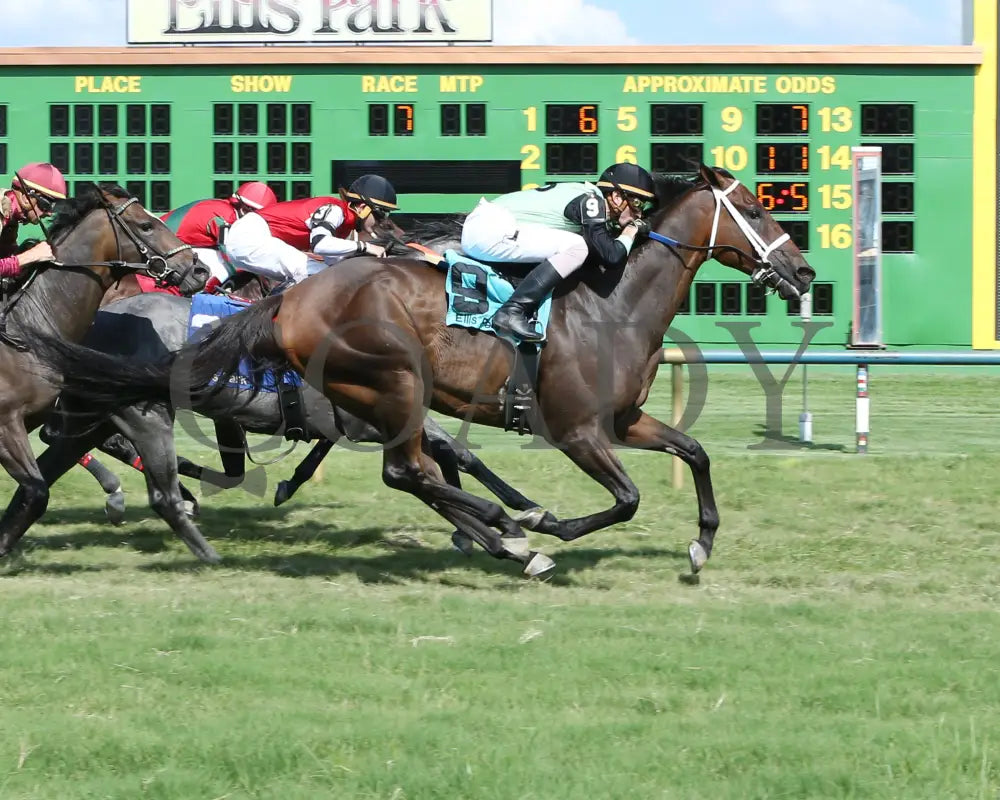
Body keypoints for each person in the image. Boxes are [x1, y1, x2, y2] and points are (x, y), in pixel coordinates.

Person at [460, 162, 656, 342]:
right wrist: (631, 230)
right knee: (577, 246)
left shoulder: (584, 194)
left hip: (486, 227)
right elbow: (612, 256)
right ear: (616, 196)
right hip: (489, 228)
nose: (638, 213)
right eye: (637, 203)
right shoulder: (592, 201)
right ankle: (513, 310)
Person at [222, 174, 398, 286]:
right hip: (249, 236)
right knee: (318, 275)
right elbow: (320, 244)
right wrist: (365, 247)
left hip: (254, 238)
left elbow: (333, 263)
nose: (382, 220)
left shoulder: (344, 226)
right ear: (362, 207)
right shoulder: (335, 210)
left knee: (326, 274)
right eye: (380, 213)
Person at [159, 180, 279, 289]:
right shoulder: (226, 216)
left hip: (171, 241)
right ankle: (202, 294)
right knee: (225, 261)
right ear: (242, 206)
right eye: (255, 212)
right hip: (163, 246)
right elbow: (232, 253)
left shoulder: (225, 208)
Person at [0, 162, 67, 278]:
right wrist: (30, 256)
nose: (49, 213)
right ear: (26, 198)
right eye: (46, 205)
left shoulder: (10, 216)